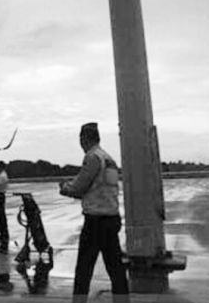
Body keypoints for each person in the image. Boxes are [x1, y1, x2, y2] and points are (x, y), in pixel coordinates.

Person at [59, 122, 130, 303]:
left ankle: (79, 301)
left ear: (84, 139)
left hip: (96, 221)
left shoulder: (92, 157)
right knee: (115, 268)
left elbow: (79, 187)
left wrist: (64, 188)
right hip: (111, 218)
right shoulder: (109, 159)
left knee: (84, 268)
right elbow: (105, 187)